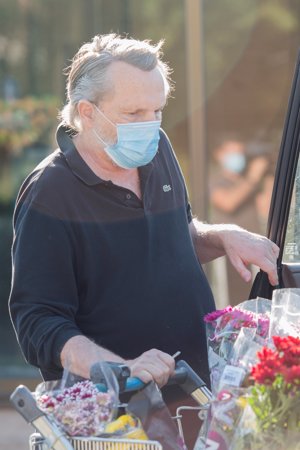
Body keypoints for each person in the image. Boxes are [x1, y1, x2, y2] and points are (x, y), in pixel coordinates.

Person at [8, 34, 279, 447]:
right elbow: (39, 323)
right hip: (119, 425)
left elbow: (174, 238)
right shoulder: (50, 191)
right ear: (87, 112)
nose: (150, 125)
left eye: (157, 110)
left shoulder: (155, 148)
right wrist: (123, 368)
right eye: (133, 112)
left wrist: (223, 237)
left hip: (198, 400)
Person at [210, 138, 272, 304]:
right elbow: (228, 203)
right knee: (234, 301)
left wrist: (267, 178)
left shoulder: (248, 181)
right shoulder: (216, 179)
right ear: (219, 154)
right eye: (233, 153)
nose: (238, 157)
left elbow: (266, 209)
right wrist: (253, 177)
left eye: (240, 153)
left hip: (253, 249)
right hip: (230, 254)